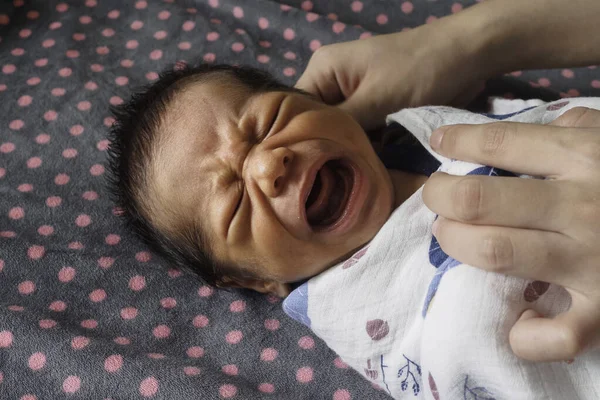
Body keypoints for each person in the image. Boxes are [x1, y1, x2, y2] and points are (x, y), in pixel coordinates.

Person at [295, 0, 600, 363]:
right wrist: (460, 43)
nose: (270, 166)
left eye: (268, 122)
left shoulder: (425, 131)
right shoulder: (352, 314)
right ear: (254, 279)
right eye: (235, 205)